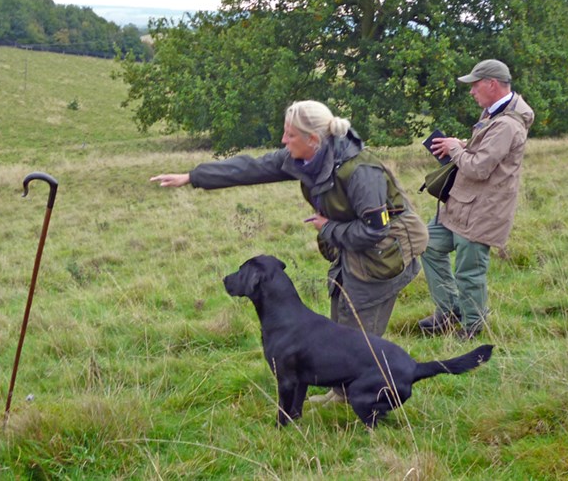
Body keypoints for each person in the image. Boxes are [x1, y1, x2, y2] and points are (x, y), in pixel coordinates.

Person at [151, 100, 428, 402]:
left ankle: (366, 396)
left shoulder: (361, 171)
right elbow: (252, 168)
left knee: (358, 328)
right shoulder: (307, 158)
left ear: (313, 139)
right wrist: (193, 177)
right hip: (352, 244)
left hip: (384, 251)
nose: (283, 141)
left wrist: (327, 228)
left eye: (290, 135)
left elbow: (376, 229)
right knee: (340, 316)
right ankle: (342, 390)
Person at [418, 59, 534, 340]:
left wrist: (456, 149)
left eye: (475, 85)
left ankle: (473, 327)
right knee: (426, 243)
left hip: (483, 212)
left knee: (469, 273)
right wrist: (463, 145)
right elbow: (484, 154)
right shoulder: (495, 113)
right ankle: (449, 311)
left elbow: (479, 168)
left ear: (492, 84)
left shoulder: (507, 124)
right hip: (462, 205)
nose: (471, 91)